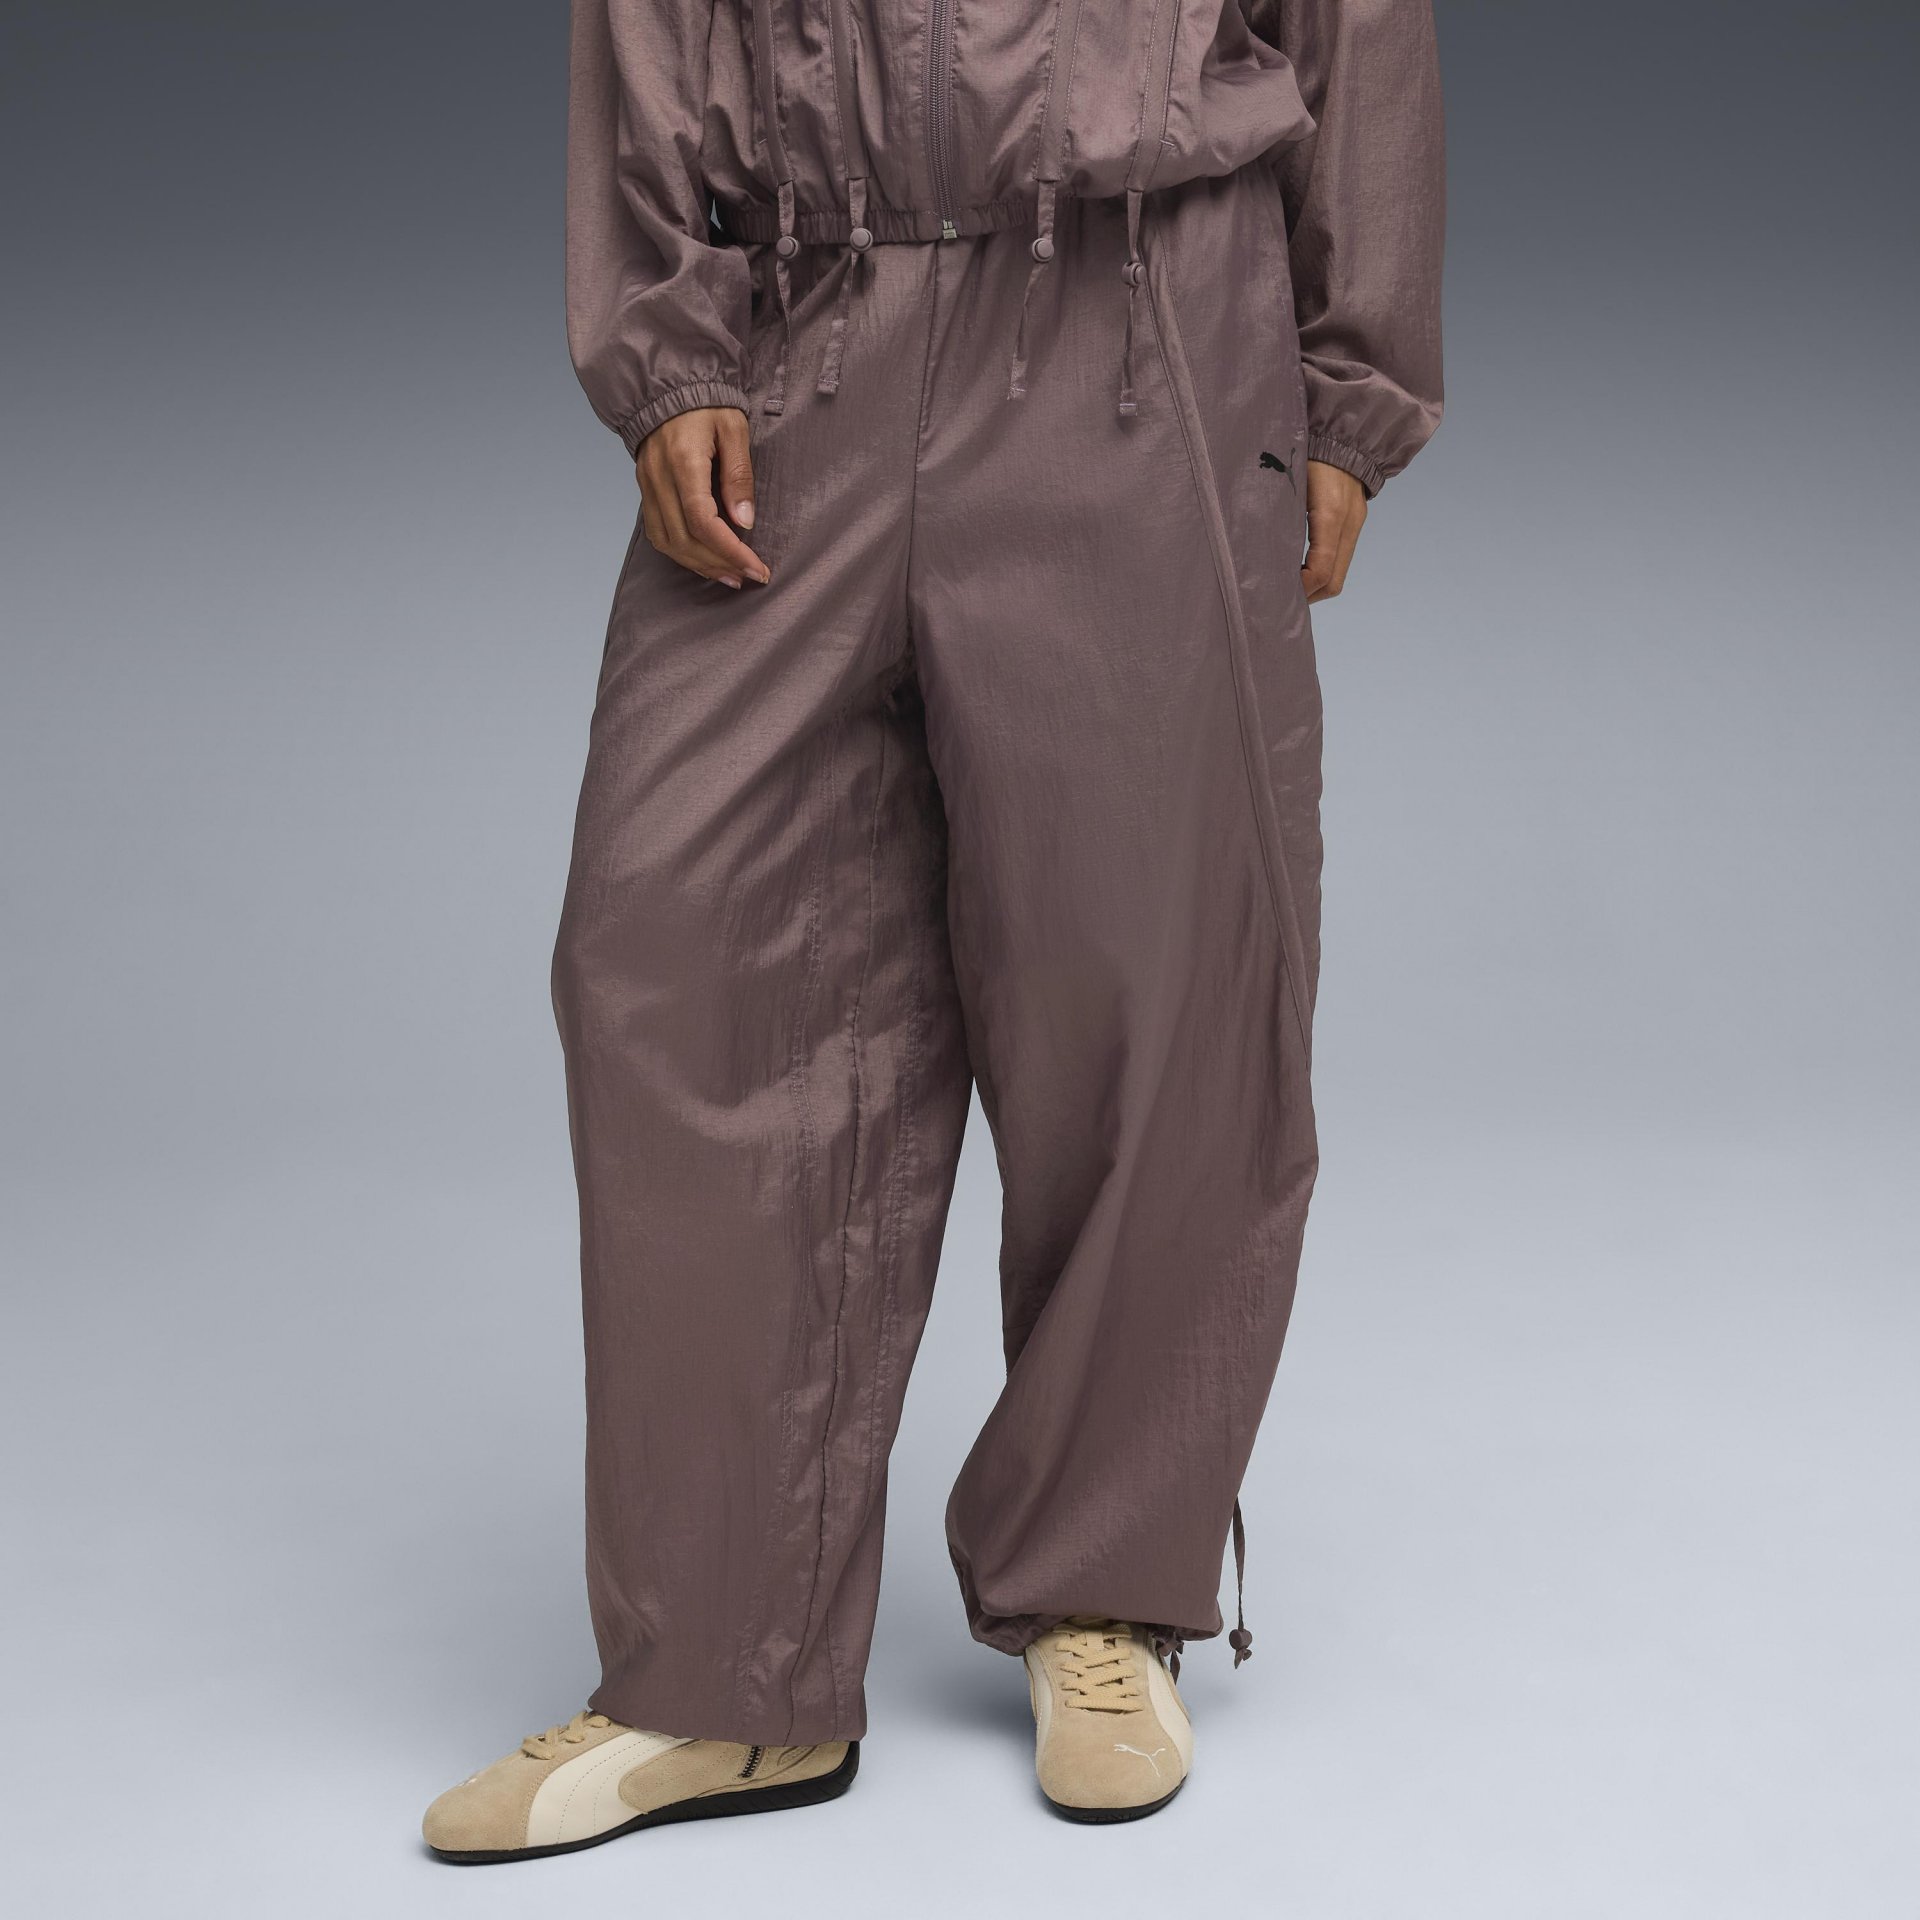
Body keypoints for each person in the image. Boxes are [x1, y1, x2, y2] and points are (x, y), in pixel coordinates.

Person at [422, 0, 1443, 1858]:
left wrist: (1352, 376)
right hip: (801, 322)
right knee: (680, 955)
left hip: (1142, 321)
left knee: (1146, 975)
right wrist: (667, 338)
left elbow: (1355, 27)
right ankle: (721, 1673)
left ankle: (1103, 1587)